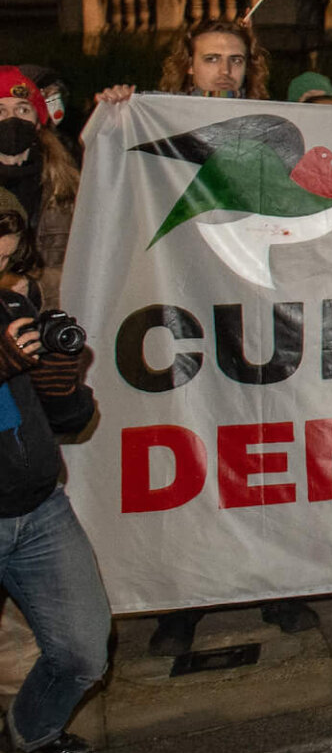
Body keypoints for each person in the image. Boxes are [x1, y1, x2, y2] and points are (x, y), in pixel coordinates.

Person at [0, 196, 108, 753]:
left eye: (8, 241)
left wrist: (63, 383)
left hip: (39, 508)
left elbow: (70, 419)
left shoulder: (11, 307)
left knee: (83, 652)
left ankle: (31, 736)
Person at [0, 70, 78, 303]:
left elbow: (87, 263)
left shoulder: (67, 189)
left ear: (37, 122)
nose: (11, 119)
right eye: (0, 111)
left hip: (46, 321)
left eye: (23, 109)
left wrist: (36, 287)